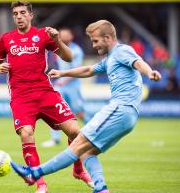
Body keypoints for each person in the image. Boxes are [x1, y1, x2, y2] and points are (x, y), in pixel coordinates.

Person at [10, 20, 162, 193]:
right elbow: (89, 70)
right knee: (87, 153)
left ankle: (34, 173)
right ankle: (100, 188)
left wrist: (150, 72)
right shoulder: (110, 58)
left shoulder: (122, 51)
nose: (94, 45)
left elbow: (138, 63)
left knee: (78, 144)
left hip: (120, 108)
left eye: (96, 41)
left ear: (107, 38)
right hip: (128, 116)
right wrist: (63, 72)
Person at [0, 1, 93, 193]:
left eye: (22, 13)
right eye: (15, 14)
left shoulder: (42, 35)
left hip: (45, 93)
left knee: (75, 131)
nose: (19, 16)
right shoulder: (6, 39)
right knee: (26, 133)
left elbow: (69, 58)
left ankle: (78, 170)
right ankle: (41, 184)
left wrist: (58, 40)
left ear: (31, 15)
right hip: (21, 96)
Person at [42, 27, 91, 148]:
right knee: (55, 110)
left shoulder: (77, 51)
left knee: (79, 112)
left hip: (72, 86)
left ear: (71, 37)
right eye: (61, 35)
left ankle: (94, 132)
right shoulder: (59, 49)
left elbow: (77, 70)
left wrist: (63, 81)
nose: (63, 37)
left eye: (65, 35)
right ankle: (55, 139)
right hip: (61, 86)